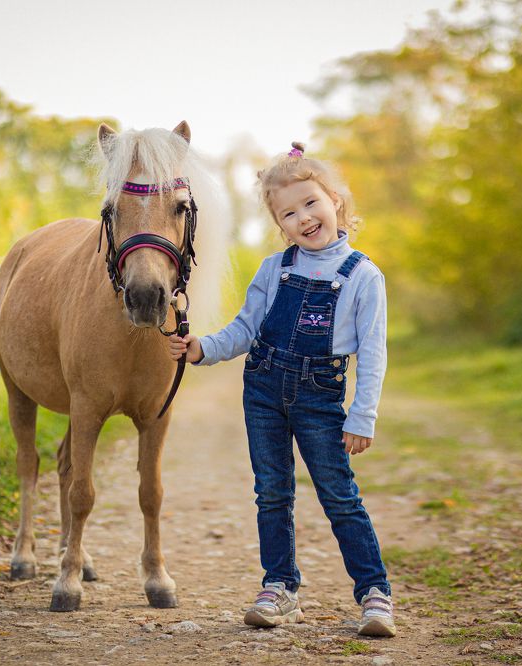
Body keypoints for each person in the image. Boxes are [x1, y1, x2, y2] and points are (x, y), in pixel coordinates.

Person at [168, 142, 395, 638]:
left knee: (339, 495)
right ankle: (280, 587)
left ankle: (374, 593)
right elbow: (245, 328)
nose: (304, 218)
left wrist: (362, 415)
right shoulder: (275, 269)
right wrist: (202, 348)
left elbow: (373, 354)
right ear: (280, 225)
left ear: (335, 200)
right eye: (289, 213)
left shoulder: (362, 276)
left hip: (320, 396)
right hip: (264, 390)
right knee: (272, 493)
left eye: (311, 203)